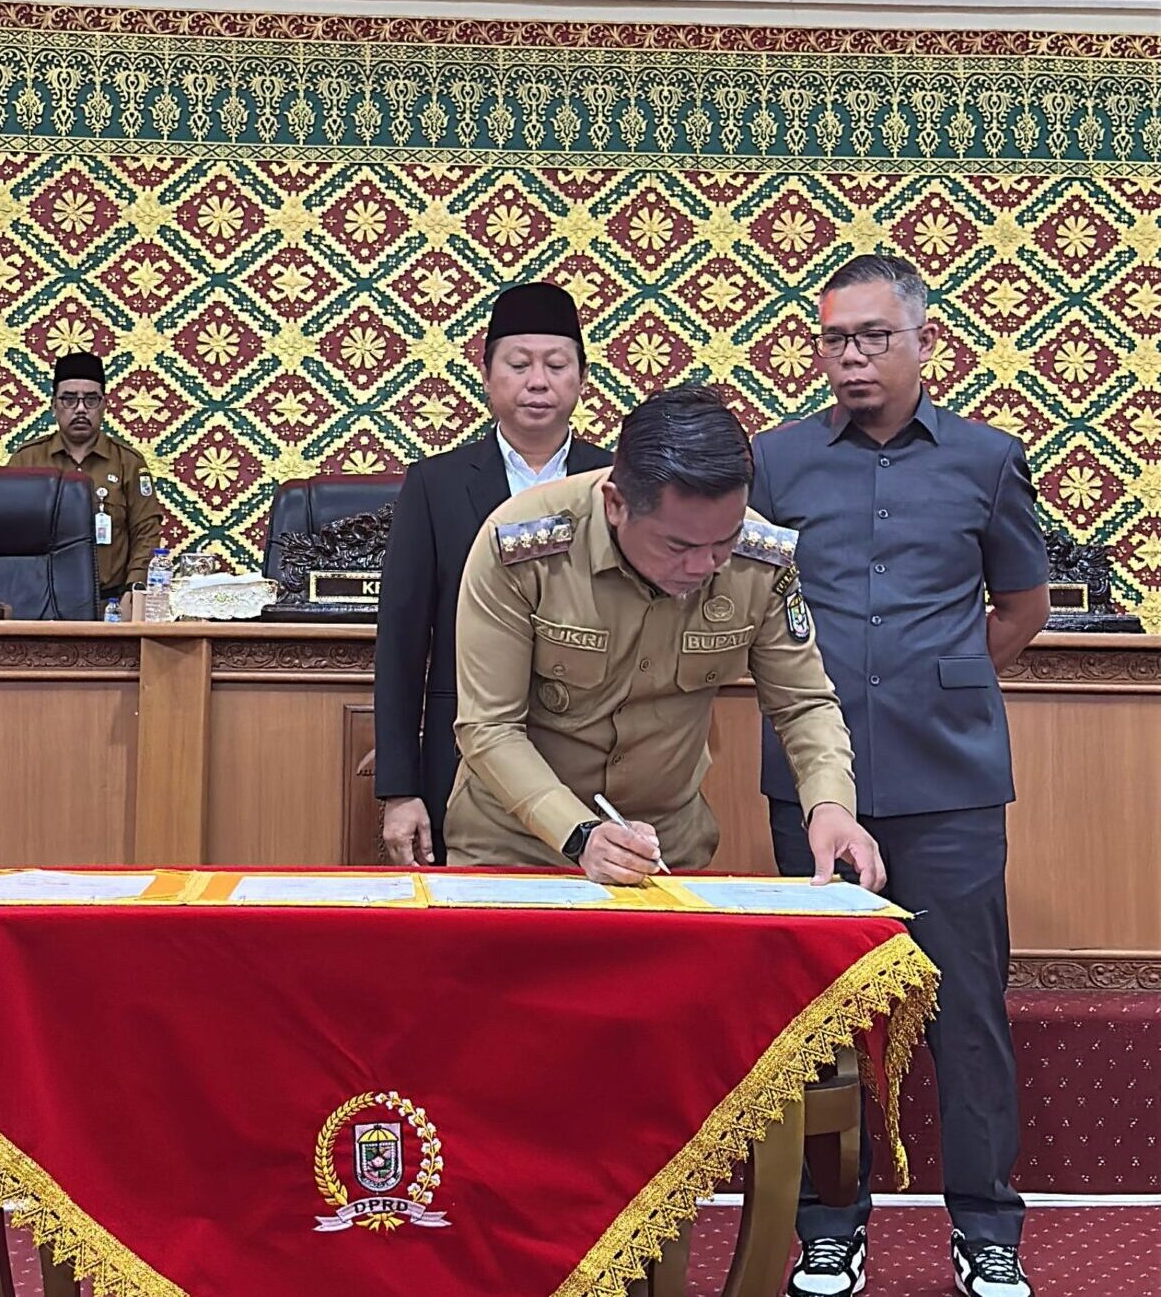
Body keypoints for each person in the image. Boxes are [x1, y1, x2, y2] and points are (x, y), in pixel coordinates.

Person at [750, 255, 1049, 1297]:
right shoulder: (776, 460)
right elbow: (751, 602)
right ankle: (829, 1226)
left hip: (950, 781)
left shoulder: (988, 459)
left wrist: (941, 674)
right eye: (834, 338)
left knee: (967, 1008)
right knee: (822, 1012)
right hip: (813, 786)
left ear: (926, 342)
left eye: (874, 336)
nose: (852, 356)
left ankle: (987, 1227)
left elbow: (1022, 604)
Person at [444, 382, 884, 893]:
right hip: (514, 846)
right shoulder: (524, 546)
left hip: (665, 852)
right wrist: (580, 833)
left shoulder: (759, 561)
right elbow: (489, 727)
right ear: (616, 504)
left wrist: (830, 805)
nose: (703, 565)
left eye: (723, 541)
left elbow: (803, 704)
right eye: (677, 546)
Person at [374, 283, 611, 866]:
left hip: (594, 756)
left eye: (557, 365)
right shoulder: (436, 484)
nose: (538, 382)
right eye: (519, 364)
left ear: (582, 379)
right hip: (464, 752)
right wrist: (399, 789)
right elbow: (402, 640)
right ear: (485, 376)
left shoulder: (617, 481)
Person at [8, 351, 162, 614]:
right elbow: (9, 535)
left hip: (110, 606)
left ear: (104, 405)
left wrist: (135, 589)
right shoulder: (27, 460)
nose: (80, 409)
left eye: (91, 399)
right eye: (69, 399)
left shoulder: (128, 463)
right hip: (40, 604)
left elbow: (146, 533)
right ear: (54, 405)